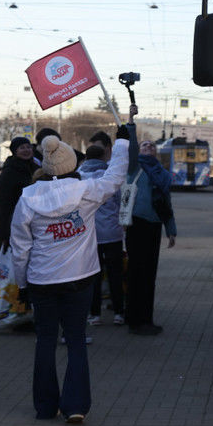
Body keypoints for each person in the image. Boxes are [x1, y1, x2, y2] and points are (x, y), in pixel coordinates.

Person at [11, 128, 130, 423]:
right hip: (80, 278)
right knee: (76, 339)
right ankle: (75, 405)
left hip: (42, 280)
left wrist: (21, 283)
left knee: (46, 340)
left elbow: (20, 247)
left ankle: (45, 406)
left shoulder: (27, 198)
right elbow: (115, 178)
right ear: (71, 165)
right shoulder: (86, 192)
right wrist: (124, 142)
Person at [124, 140, 177, 336]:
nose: (149, 147)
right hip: (137, 225)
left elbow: (166, 203)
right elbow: (132, 147)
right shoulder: (134, 167)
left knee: (149, 275)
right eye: (145, 145)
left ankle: (145, 319)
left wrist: (171, 229)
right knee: (136, 273)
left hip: (154, 227)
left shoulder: (162, 174)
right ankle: (135, 320)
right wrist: (130, 121)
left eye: (152, 146)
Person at [76, 138, 126, 326]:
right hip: (112, 233)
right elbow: (122, 201)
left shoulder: (78, 176)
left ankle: (94, 314)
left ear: (86, 158)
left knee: (92, 275)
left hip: (89, 234)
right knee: (115, 274)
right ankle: (119, 313)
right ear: (104, 155)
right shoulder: (110, 176)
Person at [0, 136, 38, 252]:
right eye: (22, 148)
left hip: (35, 220)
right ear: (15, 151)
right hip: (17, 222)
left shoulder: (36, 167)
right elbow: (4, 205)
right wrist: (4, 234)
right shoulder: (9, 172)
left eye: (28, 147)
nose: (26, 150)